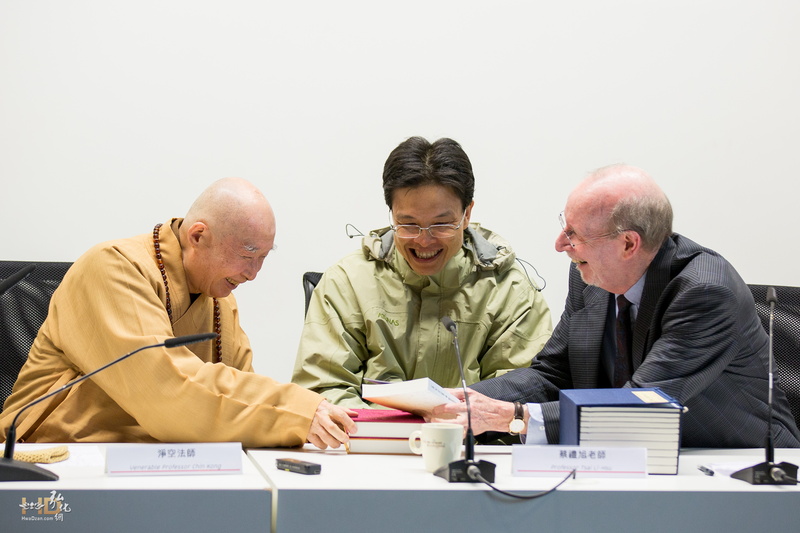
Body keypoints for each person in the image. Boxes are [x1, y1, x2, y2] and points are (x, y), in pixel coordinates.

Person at [433, 164, 800, 448]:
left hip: (743, 471)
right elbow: (553, 376)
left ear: (628, 244)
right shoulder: (589, 276)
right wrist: (461, 400)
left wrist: (514, 417)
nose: (560, 244)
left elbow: (641, 405)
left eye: (574, 233)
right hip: (631, 461)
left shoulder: (705, 292)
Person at [1, 178, 354, 450]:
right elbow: (165, 391)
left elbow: (238, 394)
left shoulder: (220, 301)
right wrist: (295, 411)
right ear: (198, 236)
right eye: (247, 255)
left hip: (162, 459)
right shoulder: (112, 268)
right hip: (57, 456)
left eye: (263, 258)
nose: (253, 274)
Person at [292, 137, 552, 408]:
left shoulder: (510, 290)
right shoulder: (347, 283)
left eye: (441, 224)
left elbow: (524, 393)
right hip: (371, 435)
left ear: (467, 214)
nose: (424, 240)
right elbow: (323, 390)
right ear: (392, 214)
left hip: (472, 435)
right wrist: (386, 428)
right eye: (408, 224)